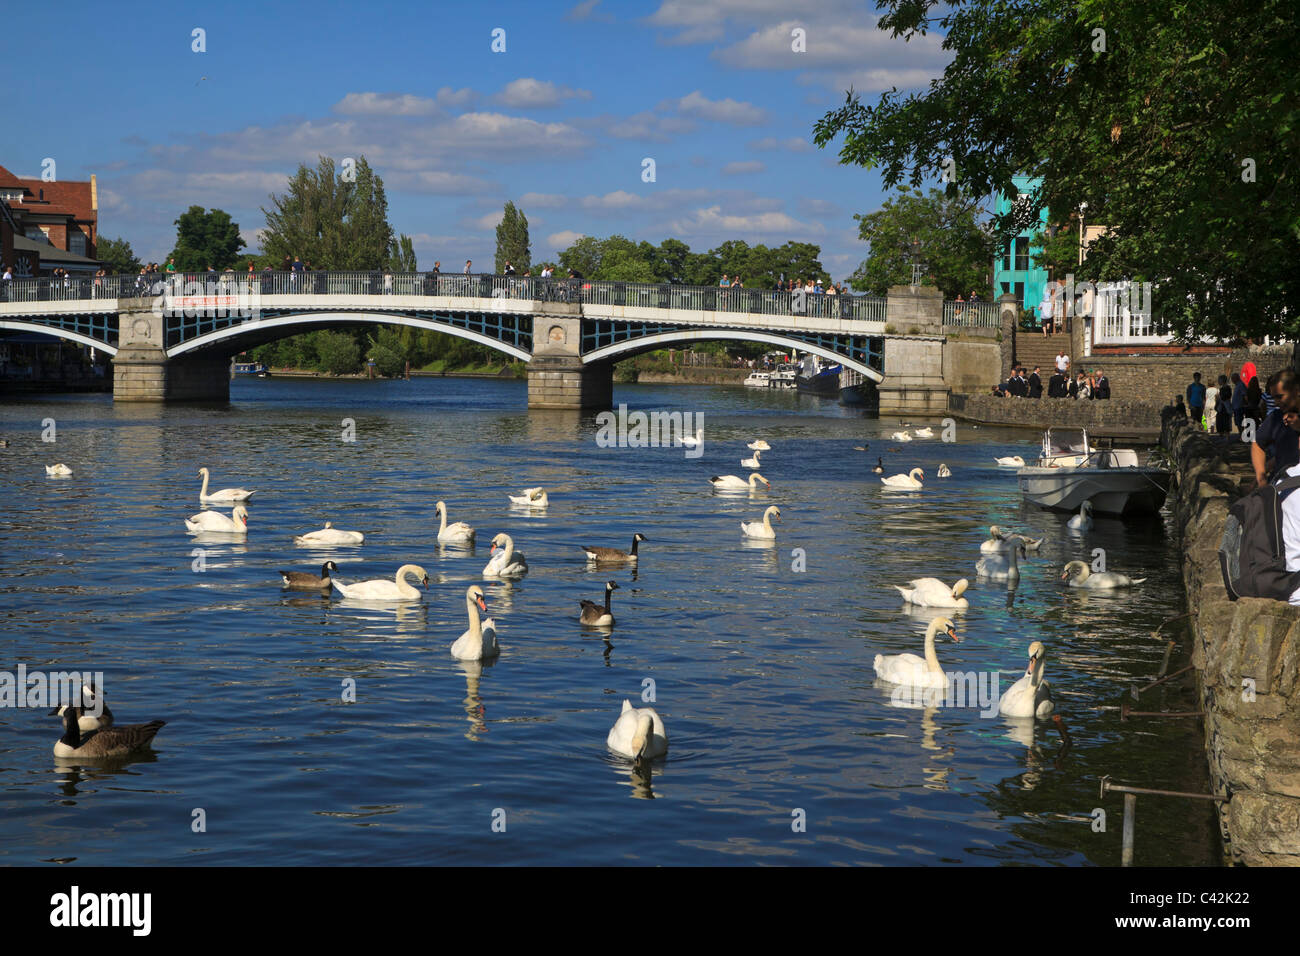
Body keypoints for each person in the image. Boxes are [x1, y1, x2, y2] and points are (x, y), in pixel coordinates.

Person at [1252, 369, 1300, 486]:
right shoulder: (1276, 417)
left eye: (1279, 397)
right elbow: (1257, 444)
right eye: (1273, 397)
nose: (1275, 402)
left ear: (1297, 391)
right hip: (1282, 490)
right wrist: (1261, 479)